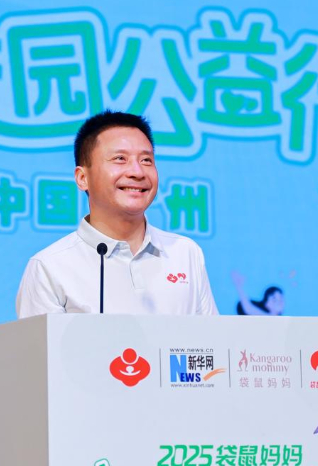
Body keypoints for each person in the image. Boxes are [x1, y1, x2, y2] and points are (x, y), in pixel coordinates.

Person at [16, 111, 218, 317]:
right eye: (120, 159)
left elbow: (211, 336)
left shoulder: (185, 253)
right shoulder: (49, 267)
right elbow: (42, 340)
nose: (137, 172)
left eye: (146, 160)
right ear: (83, 178)